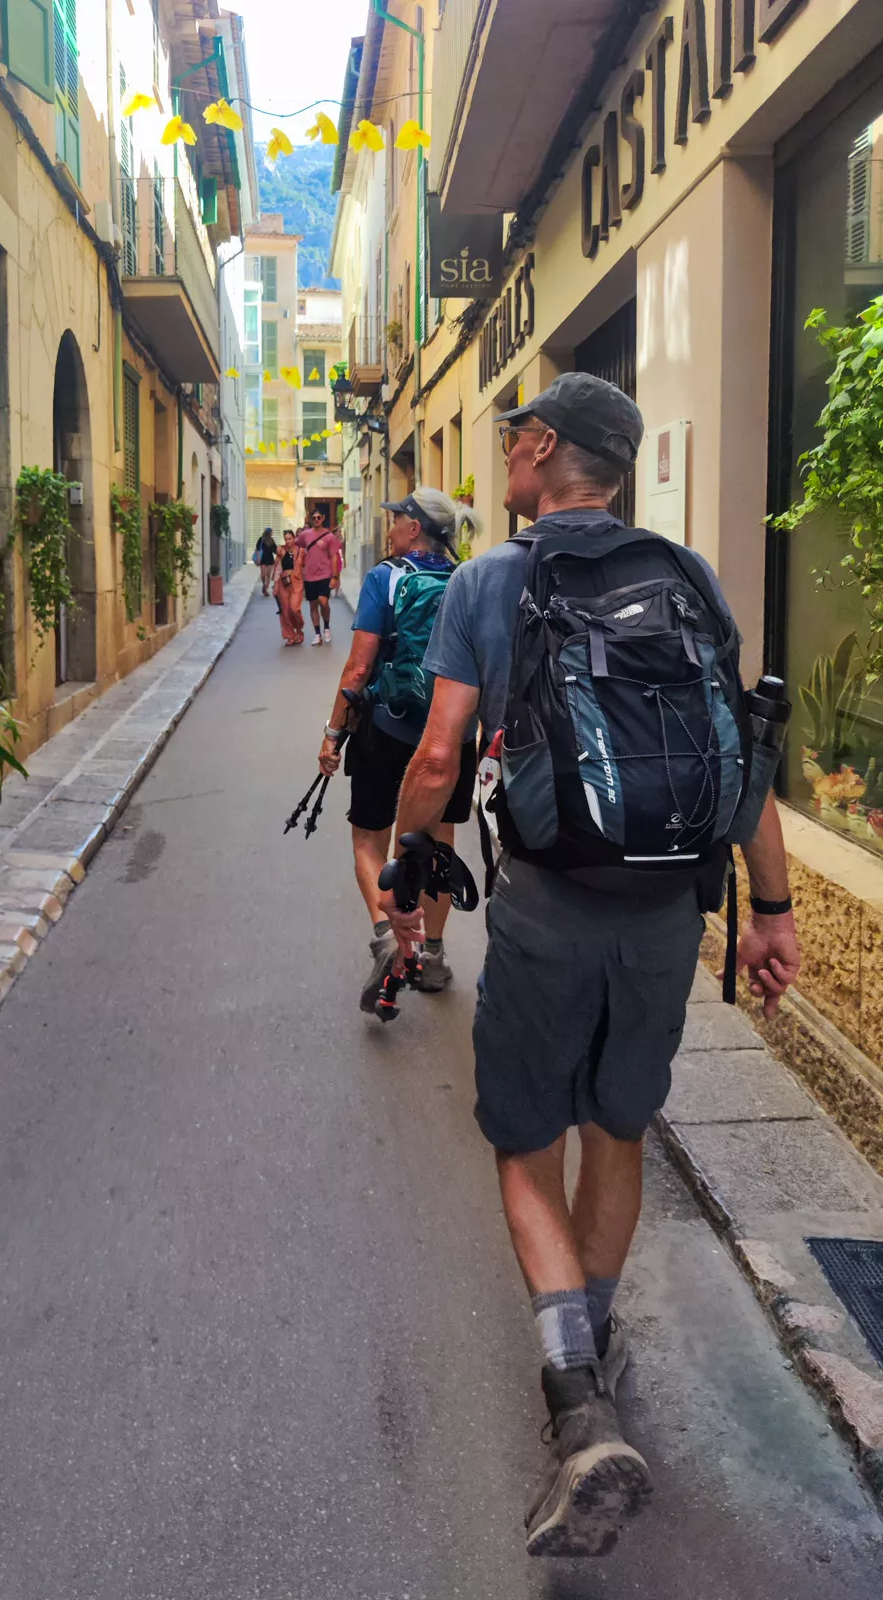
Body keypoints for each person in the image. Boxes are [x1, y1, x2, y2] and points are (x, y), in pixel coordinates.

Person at [380, 374, 802, 1558]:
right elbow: (748, 758)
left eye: (516, 435)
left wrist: (415, 863)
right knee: (620, 1134)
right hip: (669, 914)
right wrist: (770, 909)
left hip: (549, 909)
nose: (506, 450)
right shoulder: (687, 574)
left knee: (524, 1143)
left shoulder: (489, 581)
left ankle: (578, 1407)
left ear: (548, 449)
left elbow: (437, 756)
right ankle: (596, 1351)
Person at [317, 488, 479, 1009]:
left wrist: (334, 733)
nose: (389, 530)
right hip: (452, 736)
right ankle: (432, 955)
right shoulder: (468, 580)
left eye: (397, 521)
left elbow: (359, 667)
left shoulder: (385, 578)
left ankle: (389, 936)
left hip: (388, 728)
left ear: (415, 529)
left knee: (369, 837)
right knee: (438, 841)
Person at [295, 510, 343, 646]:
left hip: (325, 574)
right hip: (309, 575)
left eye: (318, 517)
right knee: (313, 605)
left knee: (323, 601)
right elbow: (296, 546)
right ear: (311, 519)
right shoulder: (305, 535)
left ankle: (326, 627)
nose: (316, 519)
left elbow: (334, 556)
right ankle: (317, 634)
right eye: (314, 517)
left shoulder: (329, 537)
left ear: (323, 518)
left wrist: (335, 576)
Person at [274, 530, 304, 645]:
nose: (287, 541)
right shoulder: (281, 551)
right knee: (285, 611)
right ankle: (291, 635)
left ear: (294, 538)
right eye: (285, 539)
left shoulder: (301, 551)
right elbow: (277, 568)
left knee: (294, 608)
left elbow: (305, 566)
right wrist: (276, 585)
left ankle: (299, 630)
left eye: (289, 539)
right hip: (283, 583)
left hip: (297, 582)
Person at [254, 528, 278, 596]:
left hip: (270, 558)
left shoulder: (271, 540)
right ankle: (264, 584)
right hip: (263, 558)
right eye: (271, 532)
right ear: (268, 532)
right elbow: (257, 549)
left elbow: (274, 549)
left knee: (268, 574)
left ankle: (266, 589)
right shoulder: (261, 539)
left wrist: (279, 552)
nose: (272, 533)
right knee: (263, 574)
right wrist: (258, 558)